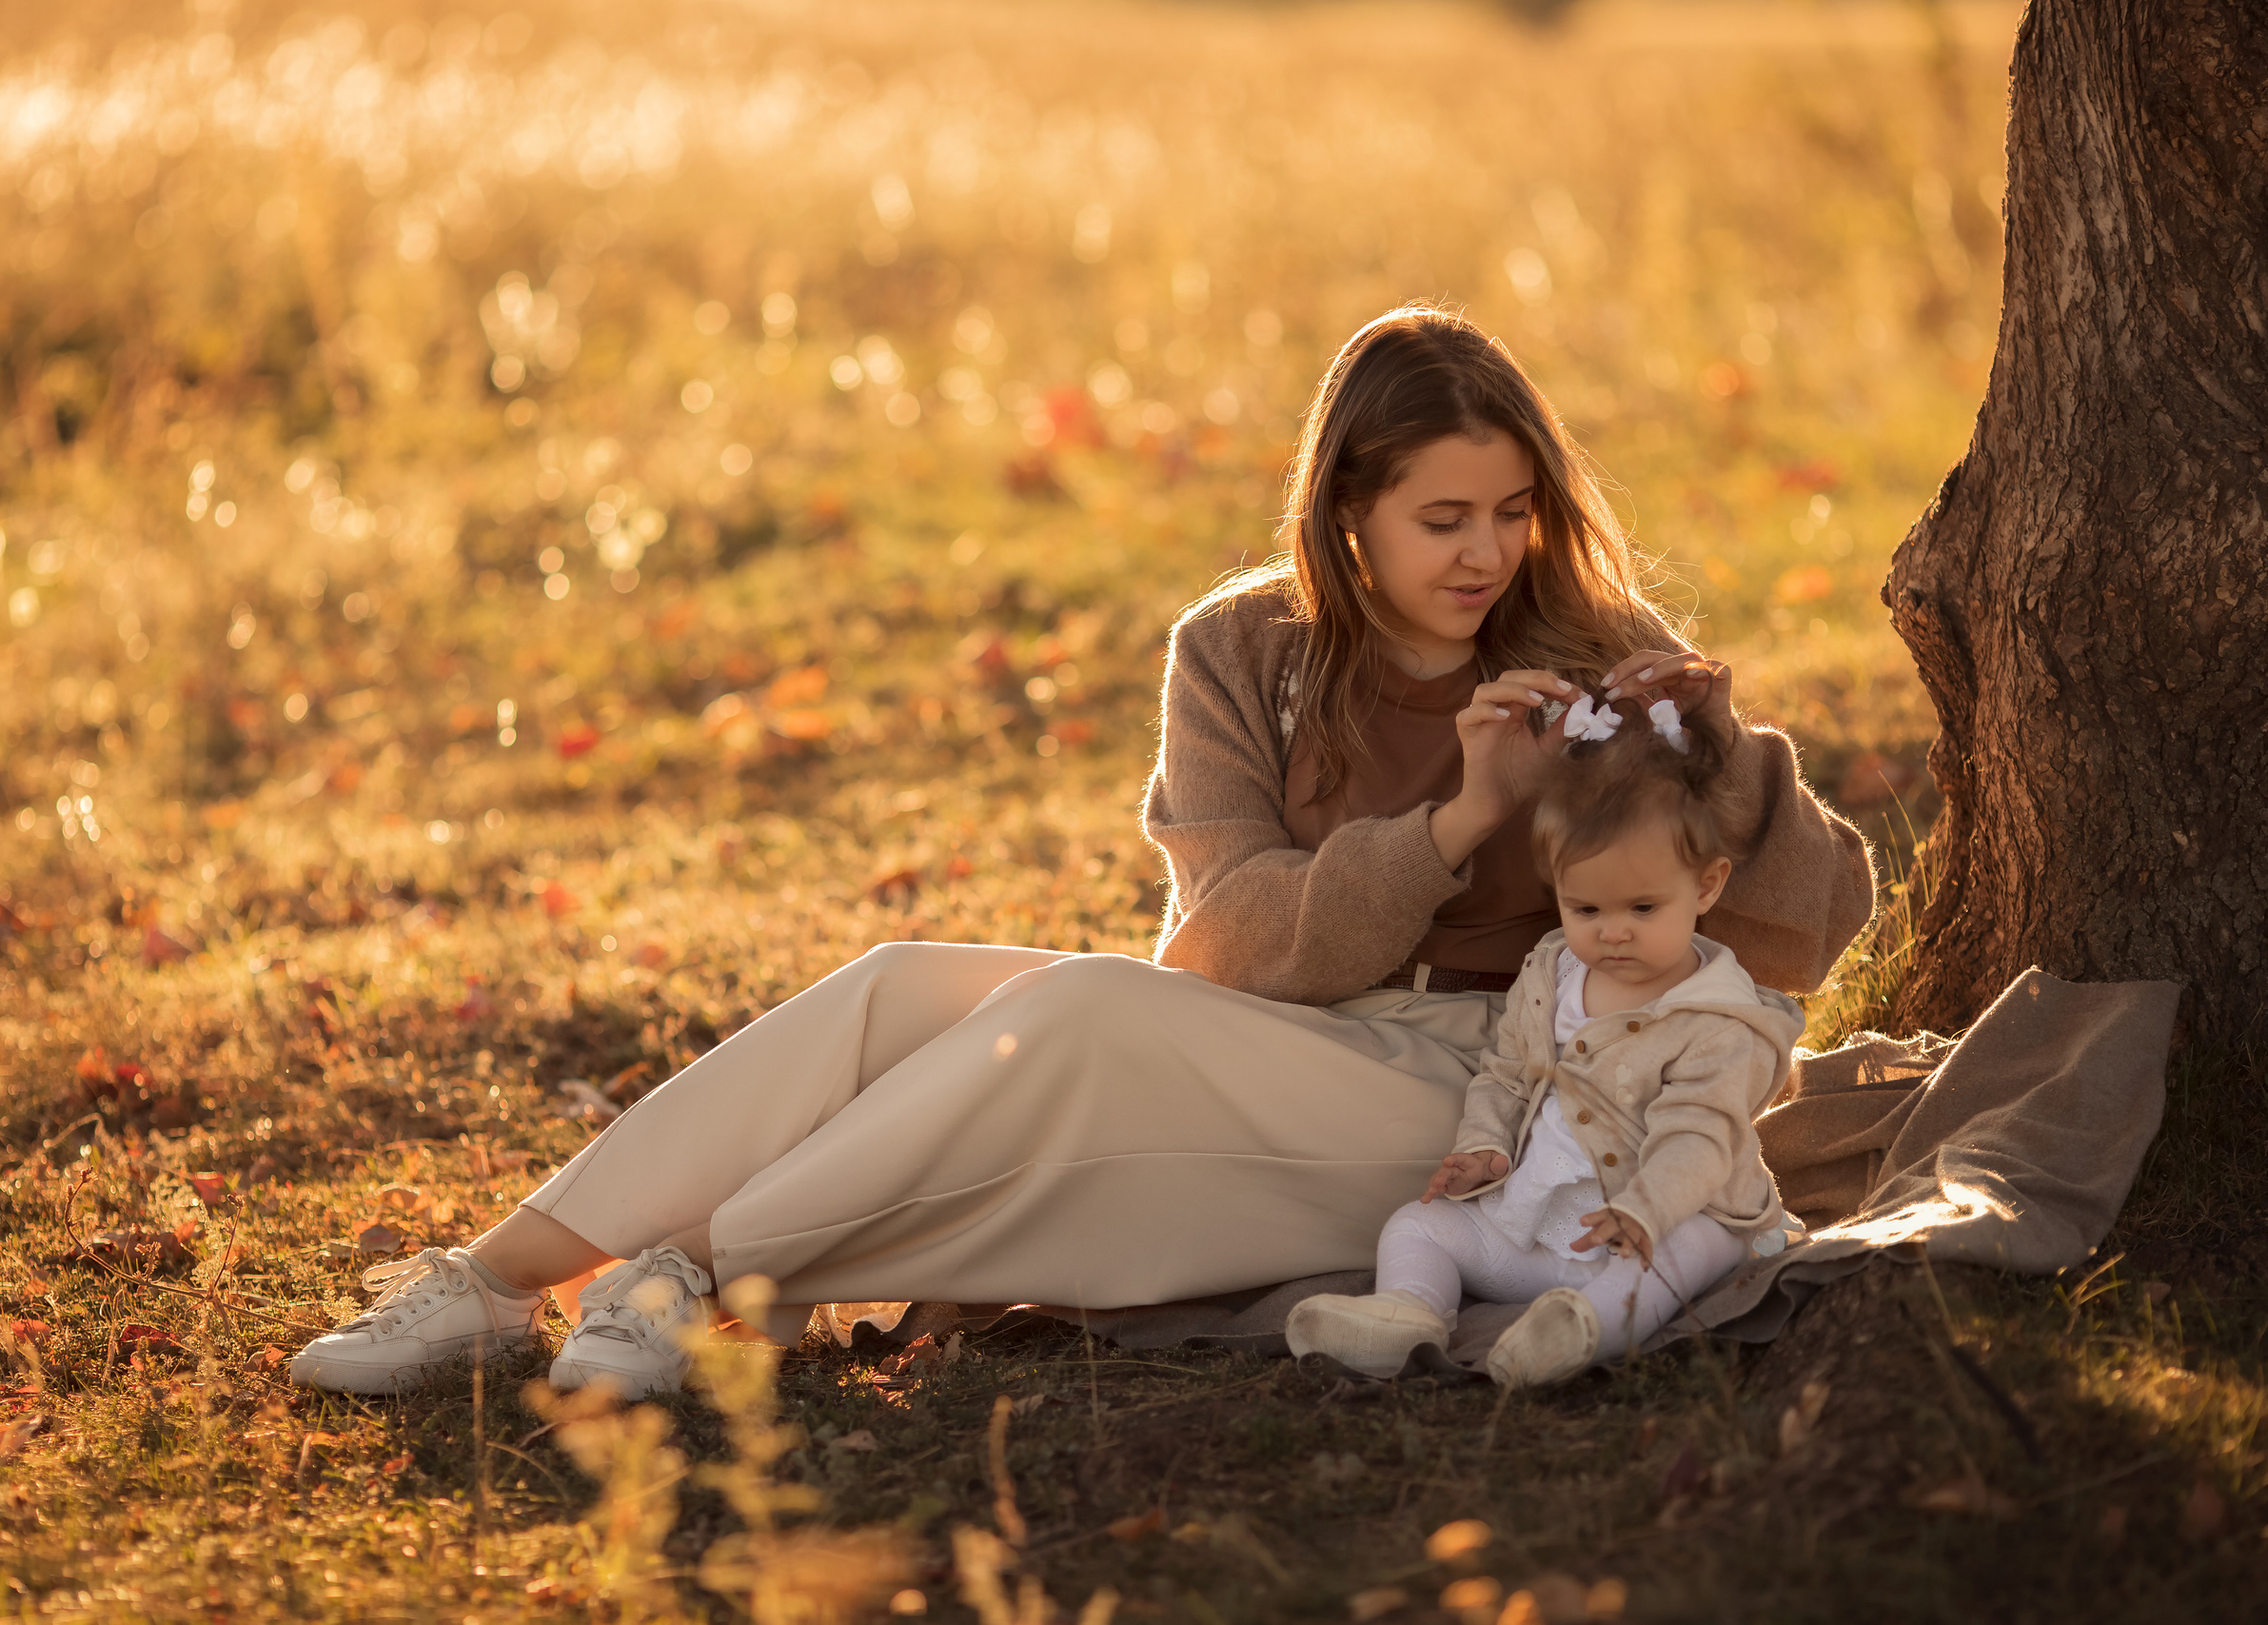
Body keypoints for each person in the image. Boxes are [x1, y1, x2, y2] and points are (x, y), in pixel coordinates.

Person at [287, 305, 1873, 1399]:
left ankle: (686, 1265)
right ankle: (488, 1283)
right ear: (1348, 518)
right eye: (1444, 517)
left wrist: (1727, 755)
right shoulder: (1238, 649)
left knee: (1094, 1016)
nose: (1487, 551)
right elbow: (1232, 942)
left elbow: (1814, 923)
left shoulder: (1585, 638)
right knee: (907, 981)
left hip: (1496, 1100)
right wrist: (1455, 819)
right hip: (1279, 1032)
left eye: (1512, 510)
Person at [1282, 690, 1805, 1387]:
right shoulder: (1553, 971)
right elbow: (1505, 1075)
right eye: (1585, 906)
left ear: (1706, 885)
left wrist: (1643, 1209)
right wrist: (1484, 1150)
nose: (1611, 931)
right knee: (1418, 1223)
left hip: (1654, 1223)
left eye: (1643, 908)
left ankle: (1580, 1331)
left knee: (1690, 1252)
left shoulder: (1715, 1018)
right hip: (1535, 1220)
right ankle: (1407, 1312)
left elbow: (1699, 1136)